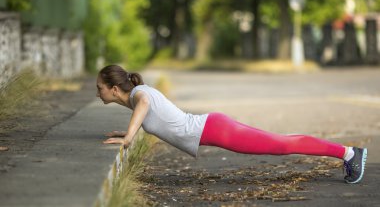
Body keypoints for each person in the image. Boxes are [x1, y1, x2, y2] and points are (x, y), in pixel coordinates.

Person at [97, 65, 367, 184]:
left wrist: (129, 137)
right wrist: (130, 129)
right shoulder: (136, 96)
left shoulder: (138, 95)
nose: (97, 93)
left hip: (216, 129)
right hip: (214, 126)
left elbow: (144, 105)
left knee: (283, 144)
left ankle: (349, 153)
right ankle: (347, 153)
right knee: (281, 142)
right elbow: (147, 111)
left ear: (113, 89)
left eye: (100, 88)